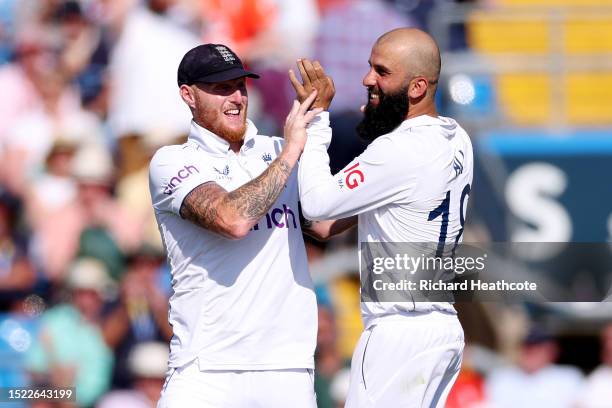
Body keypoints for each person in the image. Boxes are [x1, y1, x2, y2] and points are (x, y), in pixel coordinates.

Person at [149, 43, 354, 407]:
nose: (236, 97)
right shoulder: (172, 161)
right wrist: (292, 151)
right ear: (188, 95)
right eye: (220, 88)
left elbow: (322, 221)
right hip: (206, 368)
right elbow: (233, 219)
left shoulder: (276, 149)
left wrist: (389, 185)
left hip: (286, 370)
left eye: (240, 85)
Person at [289, 28, 474, 407]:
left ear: (417, 86)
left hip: (398, 331)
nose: (366, 79)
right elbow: (328, 226)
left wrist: (317, 121)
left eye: (382, 71)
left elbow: (318, 207)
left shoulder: (396, 151)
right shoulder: (457, 137)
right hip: (442, 328)